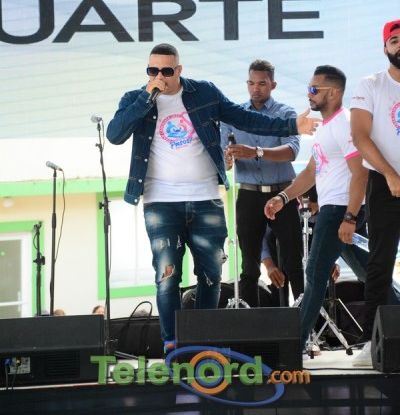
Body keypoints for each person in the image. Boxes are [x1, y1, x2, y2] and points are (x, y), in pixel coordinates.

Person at [106, 43, 320, 354]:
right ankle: (171, 343)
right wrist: (145, 98)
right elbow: (115, 134)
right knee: (167, 275)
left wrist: (291, 125)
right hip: (160, 201)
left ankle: (202, 341)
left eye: (166, 70)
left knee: (210, 275)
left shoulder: (204, 93)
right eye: (153, 70)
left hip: (205, 198)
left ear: (179, 70)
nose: (160, 76)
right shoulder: (135, 99)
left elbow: (245, 118)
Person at [265, 65, 368, 355]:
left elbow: (360, 173)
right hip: (336, 210)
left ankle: (293, 347)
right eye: (308, 88)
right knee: (371, 276)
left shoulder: (344, 123)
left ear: (333, 93)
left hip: (339, 210)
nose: (308, 94)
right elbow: (312, 171)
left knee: (314, 274)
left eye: (314, 89)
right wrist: (283, 197)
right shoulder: (325, 127)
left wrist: (350, 217)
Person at [220, 59, 303, 307]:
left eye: (262, 84)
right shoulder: (233, 115)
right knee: (249, 267)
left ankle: (305, 321)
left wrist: (255, 152)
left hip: (283, 195)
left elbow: (292, 151)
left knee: (293, 262)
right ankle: (251, 324)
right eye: (251, 83)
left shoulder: (286, 113)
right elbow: (222, 157)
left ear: (273, 85)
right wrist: (226, 160)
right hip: (248, 195)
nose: (255, 88)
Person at [350, 19, 400, 367]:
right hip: (384, 183)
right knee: (380, 263)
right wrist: (390, 174)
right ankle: (372, 343)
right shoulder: (370, 84)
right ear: (385, 48)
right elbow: (360, 136)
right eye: (395, 40)